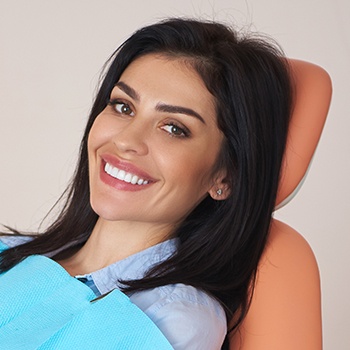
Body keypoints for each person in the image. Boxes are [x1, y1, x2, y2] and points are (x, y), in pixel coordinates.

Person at [0, 18, 331, 349]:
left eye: (174, 128)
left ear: (224, 177)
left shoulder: (170, 321)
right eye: (123, 106)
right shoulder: (12, 253)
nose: (127, 141)